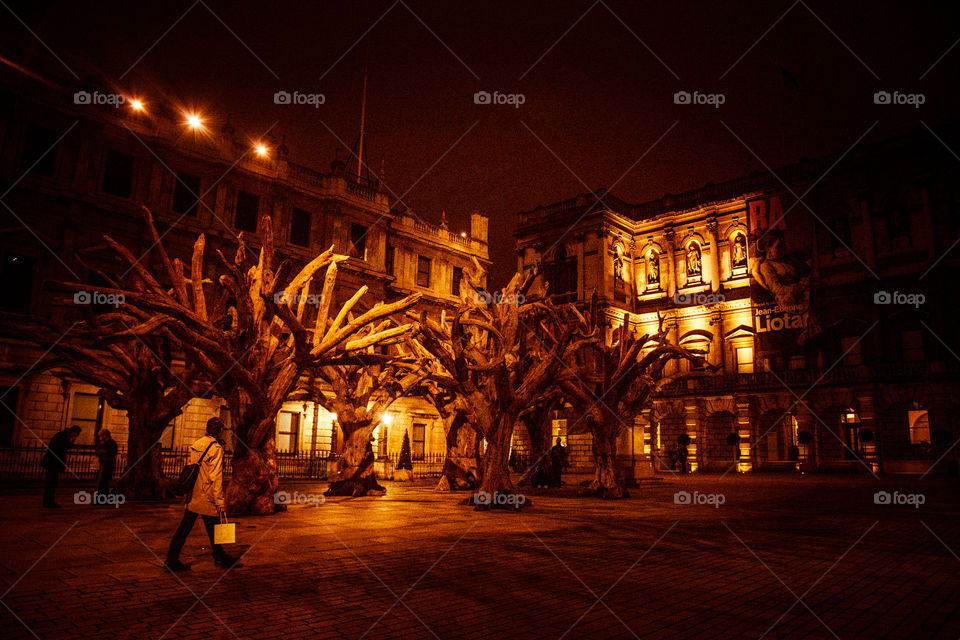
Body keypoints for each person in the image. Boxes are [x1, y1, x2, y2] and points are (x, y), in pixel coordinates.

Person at [165, 418, 241, 571]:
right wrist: (219, 501)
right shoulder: (216, 449)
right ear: (219, 431)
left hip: (194, 493)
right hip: (207, 495)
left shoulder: (198, 444)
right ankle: (219, 557)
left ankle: (172, 558)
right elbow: (216, 477)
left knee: (187, 528)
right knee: (211, 526)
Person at [41, 425, 81, 508]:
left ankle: (49, 501)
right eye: (76, 435)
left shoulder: (63, 436)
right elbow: (61, 449)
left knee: (52, 483)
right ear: (73, 432)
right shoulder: (61, 436)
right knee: (50, 483)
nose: (75, 437)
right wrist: (70, 442)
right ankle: (48, 502)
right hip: (52, 463)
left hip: (53, 463)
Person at [95, 429, 118, 498]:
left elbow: (113, 452)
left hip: (108, 464)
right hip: (102, 464)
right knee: (100, 482)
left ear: (106, 435)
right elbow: (97, 451)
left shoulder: (112, 443)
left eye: (102, 436)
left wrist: (104, 451)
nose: (101, 437)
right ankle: (100, 495)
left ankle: (103, 496)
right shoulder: (102, 443)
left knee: (105, 481)